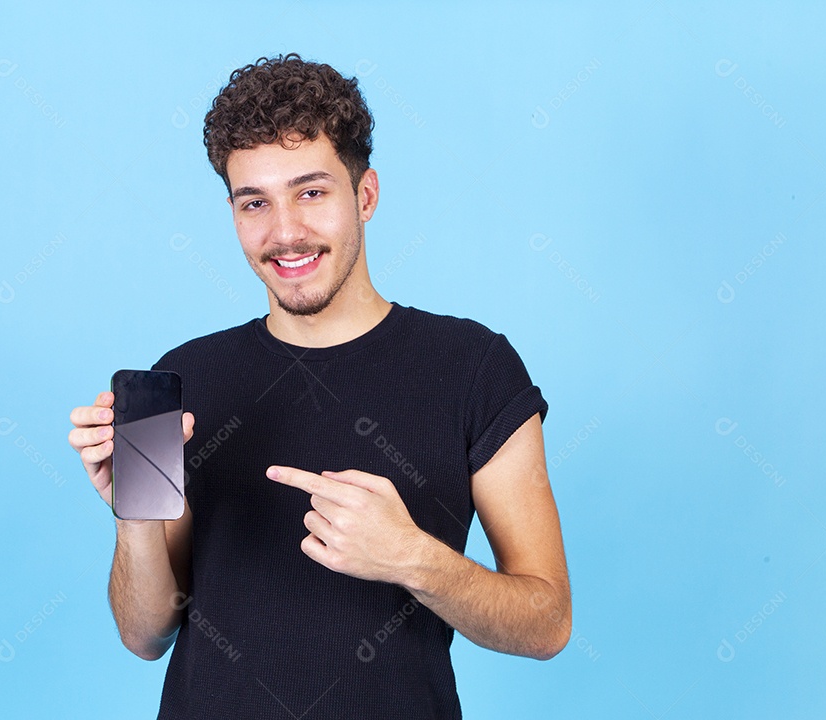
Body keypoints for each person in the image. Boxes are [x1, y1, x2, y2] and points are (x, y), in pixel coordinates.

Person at [68, 53, 570, 719]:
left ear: (364, 196)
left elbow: (547, 623)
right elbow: (144, 632)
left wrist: (413, 558)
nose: (285, 232)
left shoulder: (475, 367)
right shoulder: (184, 378)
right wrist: (132, 514)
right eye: (255, 203)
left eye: (311, 192)